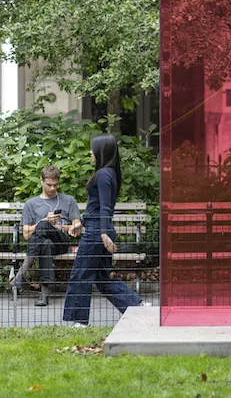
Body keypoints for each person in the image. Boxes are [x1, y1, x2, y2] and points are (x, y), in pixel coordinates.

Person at [62, 134, 143, 326]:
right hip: (96, 228)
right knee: (101, 277)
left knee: (81, 274)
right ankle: (135, 305)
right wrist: (81, 223)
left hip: (97, 232)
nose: (90, 152)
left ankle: (79, 322)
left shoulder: (104, 174)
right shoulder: (107, 174)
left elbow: (106, 207)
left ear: (101, 152)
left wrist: (104, 233)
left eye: (93, 149)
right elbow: (96, 206)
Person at [11, 165, 82, 306]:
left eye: (55, 185)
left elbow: (77, 229)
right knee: (45, 243)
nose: (52, 188)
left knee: (45, 228)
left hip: (61, 242)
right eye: (49, 185)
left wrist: (58, 226)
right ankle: (44, 294)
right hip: (44, 244)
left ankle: (22, 272)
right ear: (41, 181)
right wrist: (44, 222)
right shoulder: (31, 204)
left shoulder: (69, 200)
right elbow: (26, 234)